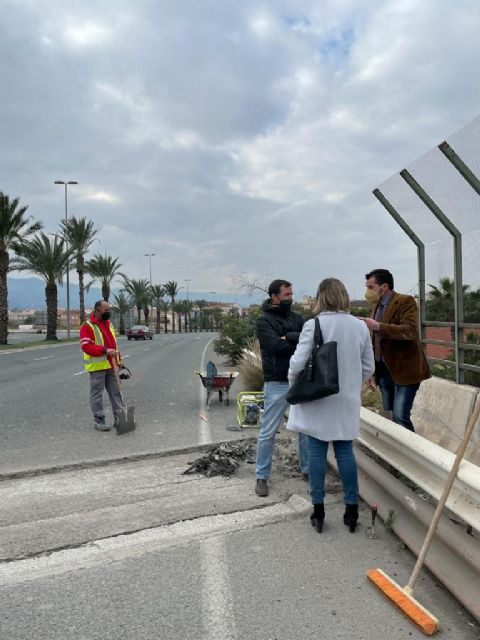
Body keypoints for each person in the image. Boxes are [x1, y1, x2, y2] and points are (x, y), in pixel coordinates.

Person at [287, 278, 375, 533]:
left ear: (321, 297)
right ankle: (351, 510)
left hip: (316, 398)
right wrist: (349, 384)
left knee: (316, 453)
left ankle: (318, 510)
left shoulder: (312, 325)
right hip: (346, 400)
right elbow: (369, 366)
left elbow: (297, 363)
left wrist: (295, 388)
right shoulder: (359, 327)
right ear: (344, 296)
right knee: (345, 452)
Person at [255, 279, 309, 497]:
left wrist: (290, 337)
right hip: (276, 381)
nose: (291, 298)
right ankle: (261, 477)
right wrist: (295, 342)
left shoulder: (298, 318)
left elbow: (309, 342)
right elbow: (275, 347)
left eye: (291, 294)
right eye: (287, 295)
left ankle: (307, 470)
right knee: (268, 431)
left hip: (300, 380)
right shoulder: (263, 321)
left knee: (305, 429)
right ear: (275, 296)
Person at [362, 268, 430, 432]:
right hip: (384, 371)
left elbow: (410, 330)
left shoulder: (405, 301)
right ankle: (395, 453)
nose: (367, 292)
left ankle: (413, 453)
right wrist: (372, 372)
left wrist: (377, 326)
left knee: (400, 417)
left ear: (383, 287)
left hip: (405, 370)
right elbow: (375, 342)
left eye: (370, 287)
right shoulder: (376, 307)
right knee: (390, 417)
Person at [80, 300, 124, 431]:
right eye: (106, 311)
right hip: (98, 367)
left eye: (109, 310)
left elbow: (114, 344)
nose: (108, 313)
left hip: (112, 365)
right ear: (97, 310)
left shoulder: (108, 324)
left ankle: (120, 417)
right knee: (97, 394)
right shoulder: (87, 326)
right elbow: (86, 346)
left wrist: (119, 359)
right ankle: (99, 419)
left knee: (116, 392)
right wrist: (105, 350)